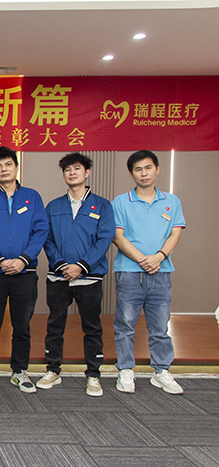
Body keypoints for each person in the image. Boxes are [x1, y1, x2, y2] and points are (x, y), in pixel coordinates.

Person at [37, 153, 114, 397]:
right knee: (55, 324)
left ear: (87, 172)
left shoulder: (102, 205)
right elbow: (47, 238)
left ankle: (93, 375)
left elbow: (104, 239)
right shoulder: (53, 206)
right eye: (68, 169)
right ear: (63, 174)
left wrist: (81, 265)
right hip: (58, 277)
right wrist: (61, 265)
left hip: (89, 278)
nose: (72, 173)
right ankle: (53, 370)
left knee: (92, 326)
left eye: (77, 168)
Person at [0, 146, 48, 394]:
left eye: (8, 164)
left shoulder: (32, 197)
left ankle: (19, 371)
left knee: (22, 326)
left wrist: (23, 259)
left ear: (16, 167)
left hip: (24, 273)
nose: (3, 169)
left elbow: (41, 230)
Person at [112, 150, 185, 395]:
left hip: (161, 272)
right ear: (131, 173)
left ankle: (161, 371)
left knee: (160, 326)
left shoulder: (171, 201)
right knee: (125, 324)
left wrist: (159, 256)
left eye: (148, 168)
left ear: (157, 169)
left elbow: (175, 233)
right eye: (138, 169)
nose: (144, 173)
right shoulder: (121, 202)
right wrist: (143, 260)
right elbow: (118, 236)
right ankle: (125, 369)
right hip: (129, 272)